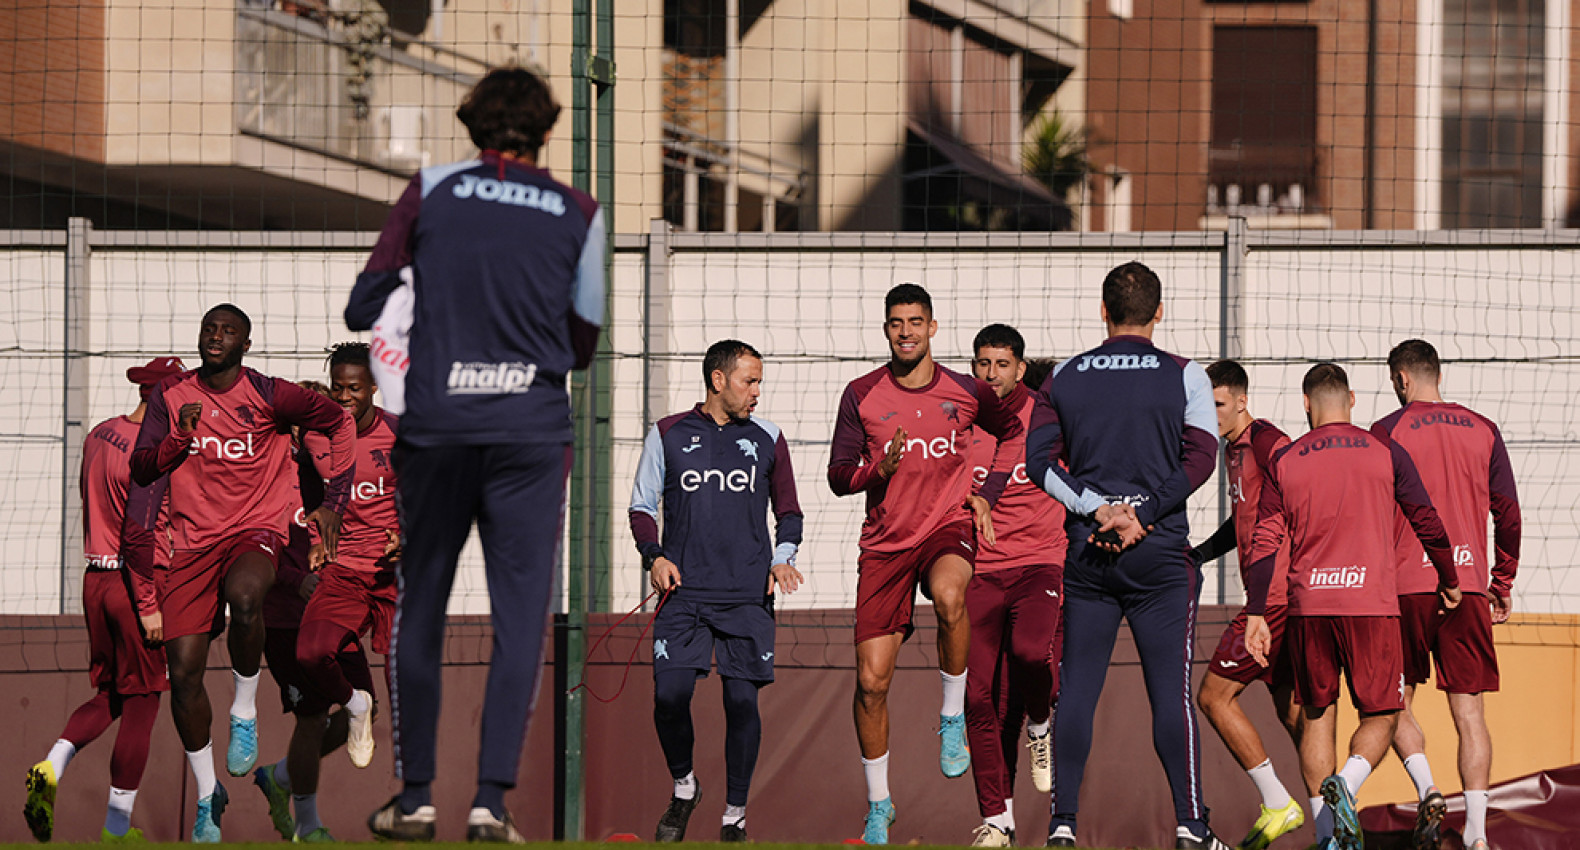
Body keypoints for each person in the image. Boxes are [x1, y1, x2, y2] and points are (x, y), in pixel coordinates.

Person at [344, 65, 605, 842]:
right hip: (530, 432)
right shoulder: (580, 210)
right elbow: (583, 344)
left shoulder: (430, 189)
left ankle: (416, 794)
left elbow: (363, 303)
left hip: (437, 428)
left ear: (470, 127)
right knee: (520, 618)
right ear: (549, 132)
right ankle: (491, 802)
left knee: (420, 603)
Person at [129, 304, 356, 843]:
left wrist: (334, 501)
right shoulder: (172, 397)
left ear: (245, 344)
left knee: (247, 595)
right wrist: (179, 441)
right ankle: (209, 797)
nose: (216, 337)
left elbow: (339, 421)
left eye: (228, 331)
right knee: (182, 675)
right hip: (192, 543)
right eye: (210, 328)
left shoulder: (272, 395)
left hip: (256, 527)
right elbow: (141, 467)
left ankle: (245, 713)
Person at [1025, 261, 1224, 850]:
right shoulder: (1186, 376)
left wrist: (1098, 509)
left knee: (1078, 689)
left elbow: (1038, 464)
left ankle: (1062, 824)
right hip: (1159, 555)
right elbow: (1203, 457)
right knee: (1170, 694)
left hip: (1090, 551)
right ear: (1159, 312)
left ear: (1103, 311)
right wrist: (1144, 511)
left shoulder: (1063, 376)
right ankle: (1191, 825)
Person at [827, 283, 1022, 845]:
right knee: (870, 683)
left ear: (933, 328)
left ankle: (952, 716)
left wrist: (988, 491)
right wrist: (876, 471)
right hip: (886, 544)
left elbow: (1011, 433)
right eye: (896, 323)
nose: (906, 331)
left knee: (951, 596)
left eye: (916, 321)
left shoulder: (966, 390)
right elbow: (840, 475)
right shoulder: (861, 394)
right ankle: (879, 804)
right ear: (886, 330)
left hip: (946, 527)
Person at [1243, 362, 1462, 850]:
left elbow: (1265, 539)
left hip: (1308, 607)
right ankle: (1348, 784)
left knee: (1318, 715)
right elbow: (1426, 519)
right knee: (1384, 713)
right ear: (1353, 401)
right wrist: (1449, 578)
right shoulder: (1385, 451)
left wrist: (1257, 611)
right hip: (1371, 605)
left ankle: (1327, 836)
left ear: (1306, 405)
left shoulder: (1287, 459)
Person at [629, 340, 804, 844]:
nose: (757, 393)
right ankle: (685, 787)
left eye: (759, 382)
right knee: (670, 696)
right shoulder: (666, 434)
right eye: (749, 381)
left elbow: (788, 512)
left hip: (747, 596)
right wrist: (654, 556)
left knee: (742, 703)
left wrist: (781, 558)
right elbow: (641, 507)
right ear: (718, 380)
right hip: (683, 595)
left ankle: (734, 818)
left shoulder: (769, 437)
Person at [23, 356, 182, 843]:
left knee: (112, 693)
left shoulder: (98, 435)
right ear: (162, 398)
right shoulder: (155, 454)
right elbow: (143, 531)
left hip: (95, 578)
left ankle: (51, 765)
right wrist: (151, 599)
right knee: (145, 701)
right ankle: (116, 827)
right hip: (137, 584)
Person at [1370, 340, 1520, 850]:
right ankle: (1476, 832)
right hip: (1470, 584)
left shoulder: (1387, 431)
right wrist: (1502, 582)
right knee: (1470, 713)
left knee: (1390, 704)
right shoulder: (1483, 429)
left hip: (1405, 586)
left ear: (1402, 379)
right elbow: (1509, 515)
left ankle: (1427, 787)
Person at [252, 377, 387, 843]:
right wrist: (296, 579)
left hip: (333, 604)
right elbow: (253, 542)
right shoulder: (270, 475)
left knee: (364, 713)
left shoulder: (335, 479)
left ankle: (282, 777)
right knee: (311, 716)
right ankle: (308, 826)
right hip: (285, 619)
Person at [1186, 360, 1305, 850]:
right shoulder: (1233, 451)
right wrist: (1198, 554)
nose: (1209, 413)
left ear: (1240, 400)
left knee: (1213, 697)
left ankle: (1278, 802)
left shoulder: (1267, 442)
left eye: (1217, 404)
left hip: (1274, 600)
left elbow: (1298, 503)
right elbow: (1243, 524)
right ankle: (1337, 812)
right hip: (1277, 597)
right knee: (1294, 713)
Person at [962, 329, 1067, 847]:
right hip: (980, 571)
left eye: (1001, 364)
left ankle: (1041, 725)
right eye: (982, 364)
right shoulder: (964, 420)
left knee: (1030, 655)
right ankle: (996, 820)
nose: (990, 374)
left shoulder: (1050, 418)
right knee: (980, 699)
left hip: (1040, 565)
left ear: (1019, 369)